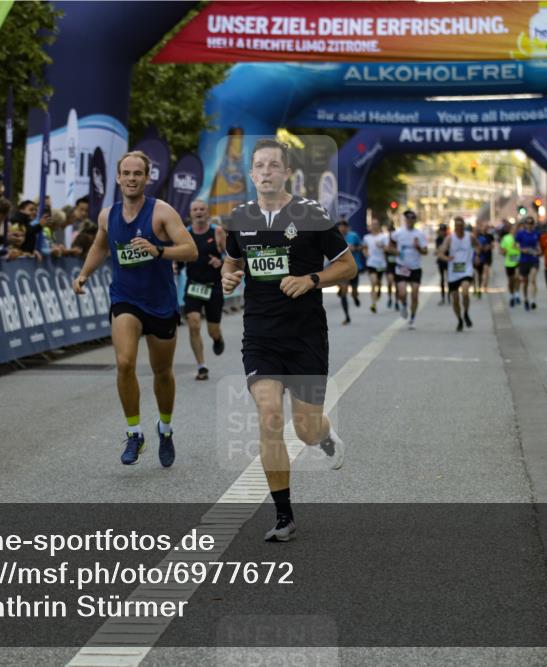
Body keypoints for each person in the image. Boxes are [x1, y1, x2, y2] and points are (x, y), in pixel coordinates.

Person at [220, 138, 356, 542]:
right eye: (259, 166)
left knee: (306, 428)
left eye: (273, 166)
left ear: (286, 173)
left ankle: (324, 436)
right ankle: (284, 516)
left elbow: (348, 266)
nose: (265, 172)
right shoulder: (238, 219)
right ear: (251, 174)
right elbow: (231, 263)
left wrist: (312, 279)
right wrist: (227, 277)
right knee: (268, 417)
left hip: (306, 335)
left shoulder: (311, 214)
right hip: (260, 336)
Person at [73, 151, 197, 467]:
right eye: (126, 173)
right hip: (125, 298)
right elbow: (101, 246)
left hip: (161, 303)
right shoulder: (107, 216)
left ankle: (165, 429)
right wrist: (84, 273)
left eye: (137, 173)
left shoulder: (162, 213)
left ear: (146, 178)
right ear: (118, 178)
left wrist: (158, 250)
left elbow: (191, 250)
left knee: (162, 372)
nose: (131, 178)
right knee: (125, 362)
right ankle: (134, 433)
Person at [183, 202, 226, 381]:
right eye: (195, 210)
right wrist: (175, 266)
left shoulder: (217, 232)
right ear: (190, 213)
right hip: (194, 285)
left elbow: (231, 256)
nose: (199, 212)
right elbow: (179, 255)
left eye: (202, 209)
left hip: (213, 287)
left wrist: (221, 262)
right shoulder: (185, 234)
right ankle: (202, 366)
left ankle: (217, 338)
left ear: (207, 213)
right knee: (193, 323)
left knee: (212, 330)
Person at [437, 216, 478, 332]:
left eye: (461, 226)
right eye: (457, 226)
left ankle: (466, 313)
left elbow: (477, 246)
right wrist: (446, 257)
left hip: (466, 269)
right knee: (455, 298)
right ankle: (459, 319)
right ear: (454, 227)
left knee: (465, 292)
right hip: (453, 272)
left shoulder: (470, 237)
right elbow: (440, 253)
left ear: (463, 226)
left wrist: (478, 256)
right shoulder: (450, 239)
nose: (459, 228)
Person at [390, 209, 427, 329]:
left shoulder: (420, 234)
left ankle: (412, 319)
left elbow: (425, 251)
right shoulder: (398, 233)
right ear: (404, 220)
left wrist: (418, 247)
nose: (410, 220)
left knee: (415, 295)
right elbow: (390, 246)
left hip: (415, 268)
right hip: (402, 267)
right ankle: (404, 305)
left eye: (412, 218)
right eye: (407, 218)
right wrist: (395, 251)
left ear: (415, 220)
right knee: (402, 293)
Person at [336, 218, 362, 324]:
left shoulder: (354, 236)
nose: (342, 229)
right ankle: (347, 316)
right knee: (343, 291)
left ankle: (355, 297)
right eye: (340, 227)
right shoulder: (335, 237)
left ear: (347, 228)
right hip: (341, 269)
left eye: (344, 227)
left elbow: (361, 246)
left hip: (354, 267)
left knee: (354, 291)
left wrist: (354, 248)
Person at [362, 217, 388, 313]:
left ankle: (380, 288)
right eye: (372, 224)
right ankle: (373, 304)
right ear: (370, 226)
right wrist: (366, 254)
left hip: (381, 263)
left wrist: (381, 246)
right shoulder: (366, 237)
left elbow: (387, 249)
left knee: (378, 282)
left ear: (379, 226)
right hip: (371, 263)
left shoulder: (383, 237)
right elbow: (364, 248)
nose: (374, 226)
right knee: (373, 282)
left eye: (376, 224)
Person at [516, 216, 541, 311]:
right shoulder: (520, 234)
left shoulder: (536, 234)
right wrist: (523, 249)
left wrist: (539, 251)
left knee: (533, 279)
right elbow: (516, 245)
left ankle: (533, 300)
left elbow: (539, 245)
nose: (529, 225)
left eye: (531, 223)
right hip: (524, 260)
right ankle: (526, 299)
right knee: (525, 281)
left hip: (534, 259)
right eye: (528, 223)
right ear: (525, 224)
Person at [500, 220, 522, 306]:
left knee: (517, 278)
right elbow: (502, 250)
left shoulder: (519, 238)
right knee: (510, 281)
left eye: (516, 229)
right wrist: (504, 252)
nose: (515, 231)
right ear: (510, 230)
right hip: (509, 263)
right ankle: (512, 295)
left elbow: (524, 247)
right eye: (513, 229)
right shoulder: (506, 238)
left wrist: (519, 247)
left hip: (518, 261)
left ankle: (517, 294)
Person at [473, 221, 493, 299]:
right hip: (472, 259)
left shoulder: (483, 238)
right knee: (473, 274)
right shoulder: (471, 238)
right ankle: (475, 287)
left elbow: (486, 247)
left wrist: (484, 248)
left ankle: (480, 288)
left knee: (480, 275)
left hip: (482, 258)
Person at [434, 222, 449, 304]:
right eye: (441, 230)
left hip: (447, 260)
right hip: (441, 261)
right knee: (442, 279)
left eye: (443, 230)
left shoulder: (448, 238)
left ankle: (450, 297)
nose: (442, 232)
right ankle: (443, 297)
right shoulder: (438, 239)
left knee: (449, 279)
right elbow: (437, 250)